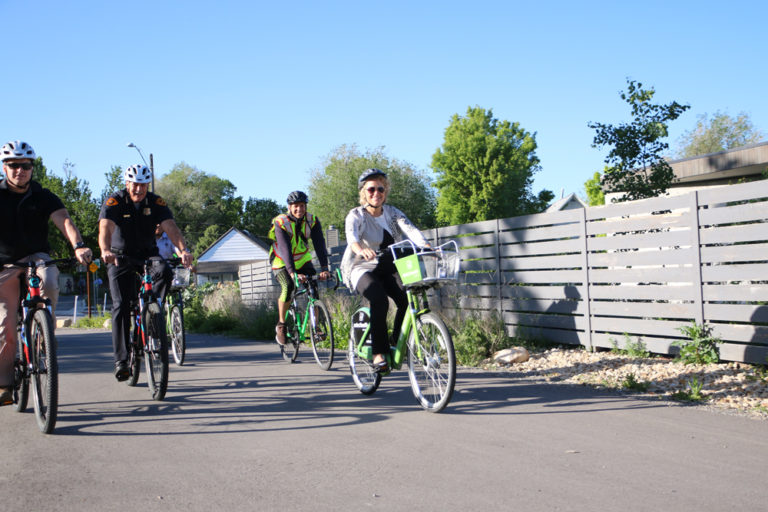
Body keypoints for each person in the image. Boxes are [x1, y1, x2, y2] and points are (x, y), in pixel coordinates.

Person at [0, 140, 93, 405]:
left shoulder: (42, 195)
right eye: (14, 165)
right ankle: (4, 384)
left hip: (35, 257)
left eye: (26, 165)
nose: (20, 170)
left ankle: (44, 337)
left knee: (49, 280)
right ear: (5, 167)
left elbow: (64, 220)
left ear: (32, 167)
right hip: (4, 263)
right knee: (5, 326)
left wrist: (78, 246)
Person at [98, 164, 193, 382]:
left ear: (147, 185)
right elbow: (105, 227)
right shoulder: (115, 201)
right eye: (135, 184)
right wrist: (104, 250)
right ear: (127, 183)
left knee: (165, 271)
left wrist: (183, 250)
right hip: (119, 256)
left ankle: (152, 311)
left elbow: (171, 227)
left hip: (147, 255)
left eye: (143, 185)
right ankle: (122, 361)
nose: (139, 189)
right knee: (121, 305)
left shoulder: (156, 202)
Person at [340, 168, 429, 372]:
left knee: (406, 299)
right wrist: (361, 249)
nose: (376, 193)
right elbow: (352, 238)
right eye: (371, 189)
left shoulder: (392, 212)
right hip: (361, 267)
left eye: (380, 188)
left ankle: (397, 342)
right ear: (363, 192)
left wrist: (426, 246)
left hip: (386, 266)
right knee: (379, 299)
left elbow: (411, 230)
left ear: (385, 191)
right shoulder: (356, 215)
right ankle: (378, 353)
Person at [269, 191, 330, 345]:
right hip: (281, 261)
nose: (299, 209)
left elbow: (319, 244)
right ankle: (281, 324)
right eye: (295, 206)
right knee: (288, 286)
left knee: (313, 288)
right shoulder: (281, 222)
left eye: (302, 206)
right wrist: (292, 273)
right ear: (289, 207)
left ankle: (316, 327)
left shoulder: (312, 220)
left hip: (302, 259)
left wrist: (324, 268)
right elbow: (285, 248)